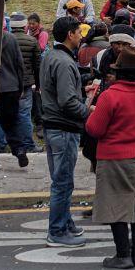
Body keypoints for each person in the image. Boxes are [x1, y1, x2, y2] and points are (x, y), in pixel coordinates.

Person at [85, 45, 135, 269]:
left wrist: (92, 111)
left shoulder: (110, 96)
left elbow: (94, 129)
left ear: (119, 72)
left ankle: (123, 254)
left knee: (116, 204)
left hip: (114, 156)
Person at [39, 17, 90, 247]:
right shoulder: (64, 62)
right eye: (79, 32)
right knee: (62, 181)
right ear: (70, 34)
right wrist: (89, 111)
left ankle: (65, 221)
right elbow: (68, 101)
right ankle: (57, 231)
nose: (81, 36)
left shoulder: (51, 55)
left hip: (54, 126)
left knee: (63, 180)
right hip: (64, 128)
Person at [0, 29, 30, 172]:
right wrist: (20, 87)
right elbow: (19, 64)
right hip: (11, 88)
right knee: (11, 123)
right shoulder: (11, 39)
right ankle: (19, 149)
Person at [2, 12, 41, 157]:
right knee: (24, 114)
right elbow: (37, 65)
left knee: (4, 114)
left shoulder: (4, 40)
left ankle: (1, 142)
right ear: (25, 26)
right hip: (25, 83)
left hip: (7, 83)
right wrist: (38, 84)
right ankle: (28, 144)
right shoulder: (32, 41)